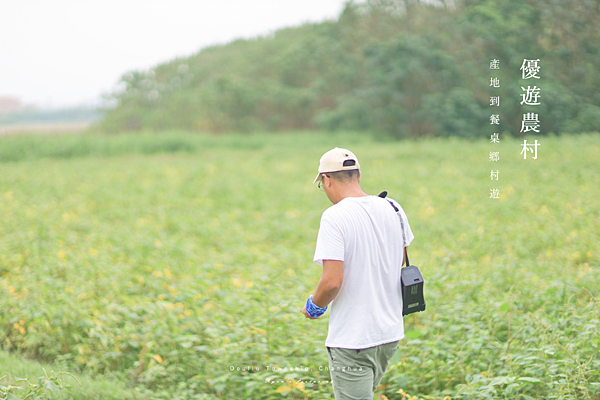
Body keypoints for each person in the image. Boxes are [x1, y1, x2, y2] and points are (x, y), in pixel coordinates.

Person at [302, 147, 414, 400]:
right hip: (389, 334)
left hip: (354, 339)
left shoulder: (334, 217)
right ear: (358, 175)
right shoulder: (394, 208)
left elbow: (332, 282)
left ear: (326, 180)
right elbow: (401, 259)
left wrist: (314, 306)